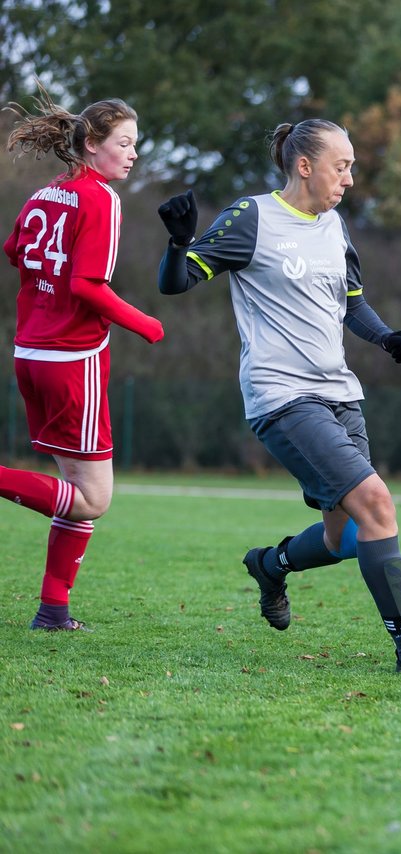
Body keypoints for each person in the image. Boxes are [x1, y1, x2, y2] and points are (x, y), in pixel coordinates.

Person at [154, 119, 401, 676]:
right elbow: (175, 284)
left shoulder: (336, 226)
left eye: (352, 168)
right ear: (304, 165)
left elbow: (352, 305)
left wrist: (387, 336)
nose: (349, 178)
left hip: (340, 393)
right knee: (377, 504)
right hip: (282, 397)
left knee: (344, 538)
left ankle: (270, 565)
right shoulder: (253, 218)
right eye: (342, 166)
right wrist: (178, 244)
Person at [2, 94, 164, 631]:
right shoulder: (100, 198)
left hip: (30, 352)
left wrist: (42, 291)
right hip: (73, 359)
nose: (133, 154)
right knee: (93, 498)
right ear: (92, 145)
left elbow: (12, 248)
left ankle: (53, 611)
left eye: (135, 144)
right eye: (124, 143)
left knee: (74, 491)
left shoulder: (47, 192)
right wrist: (147, 324)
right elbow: (87, 285)